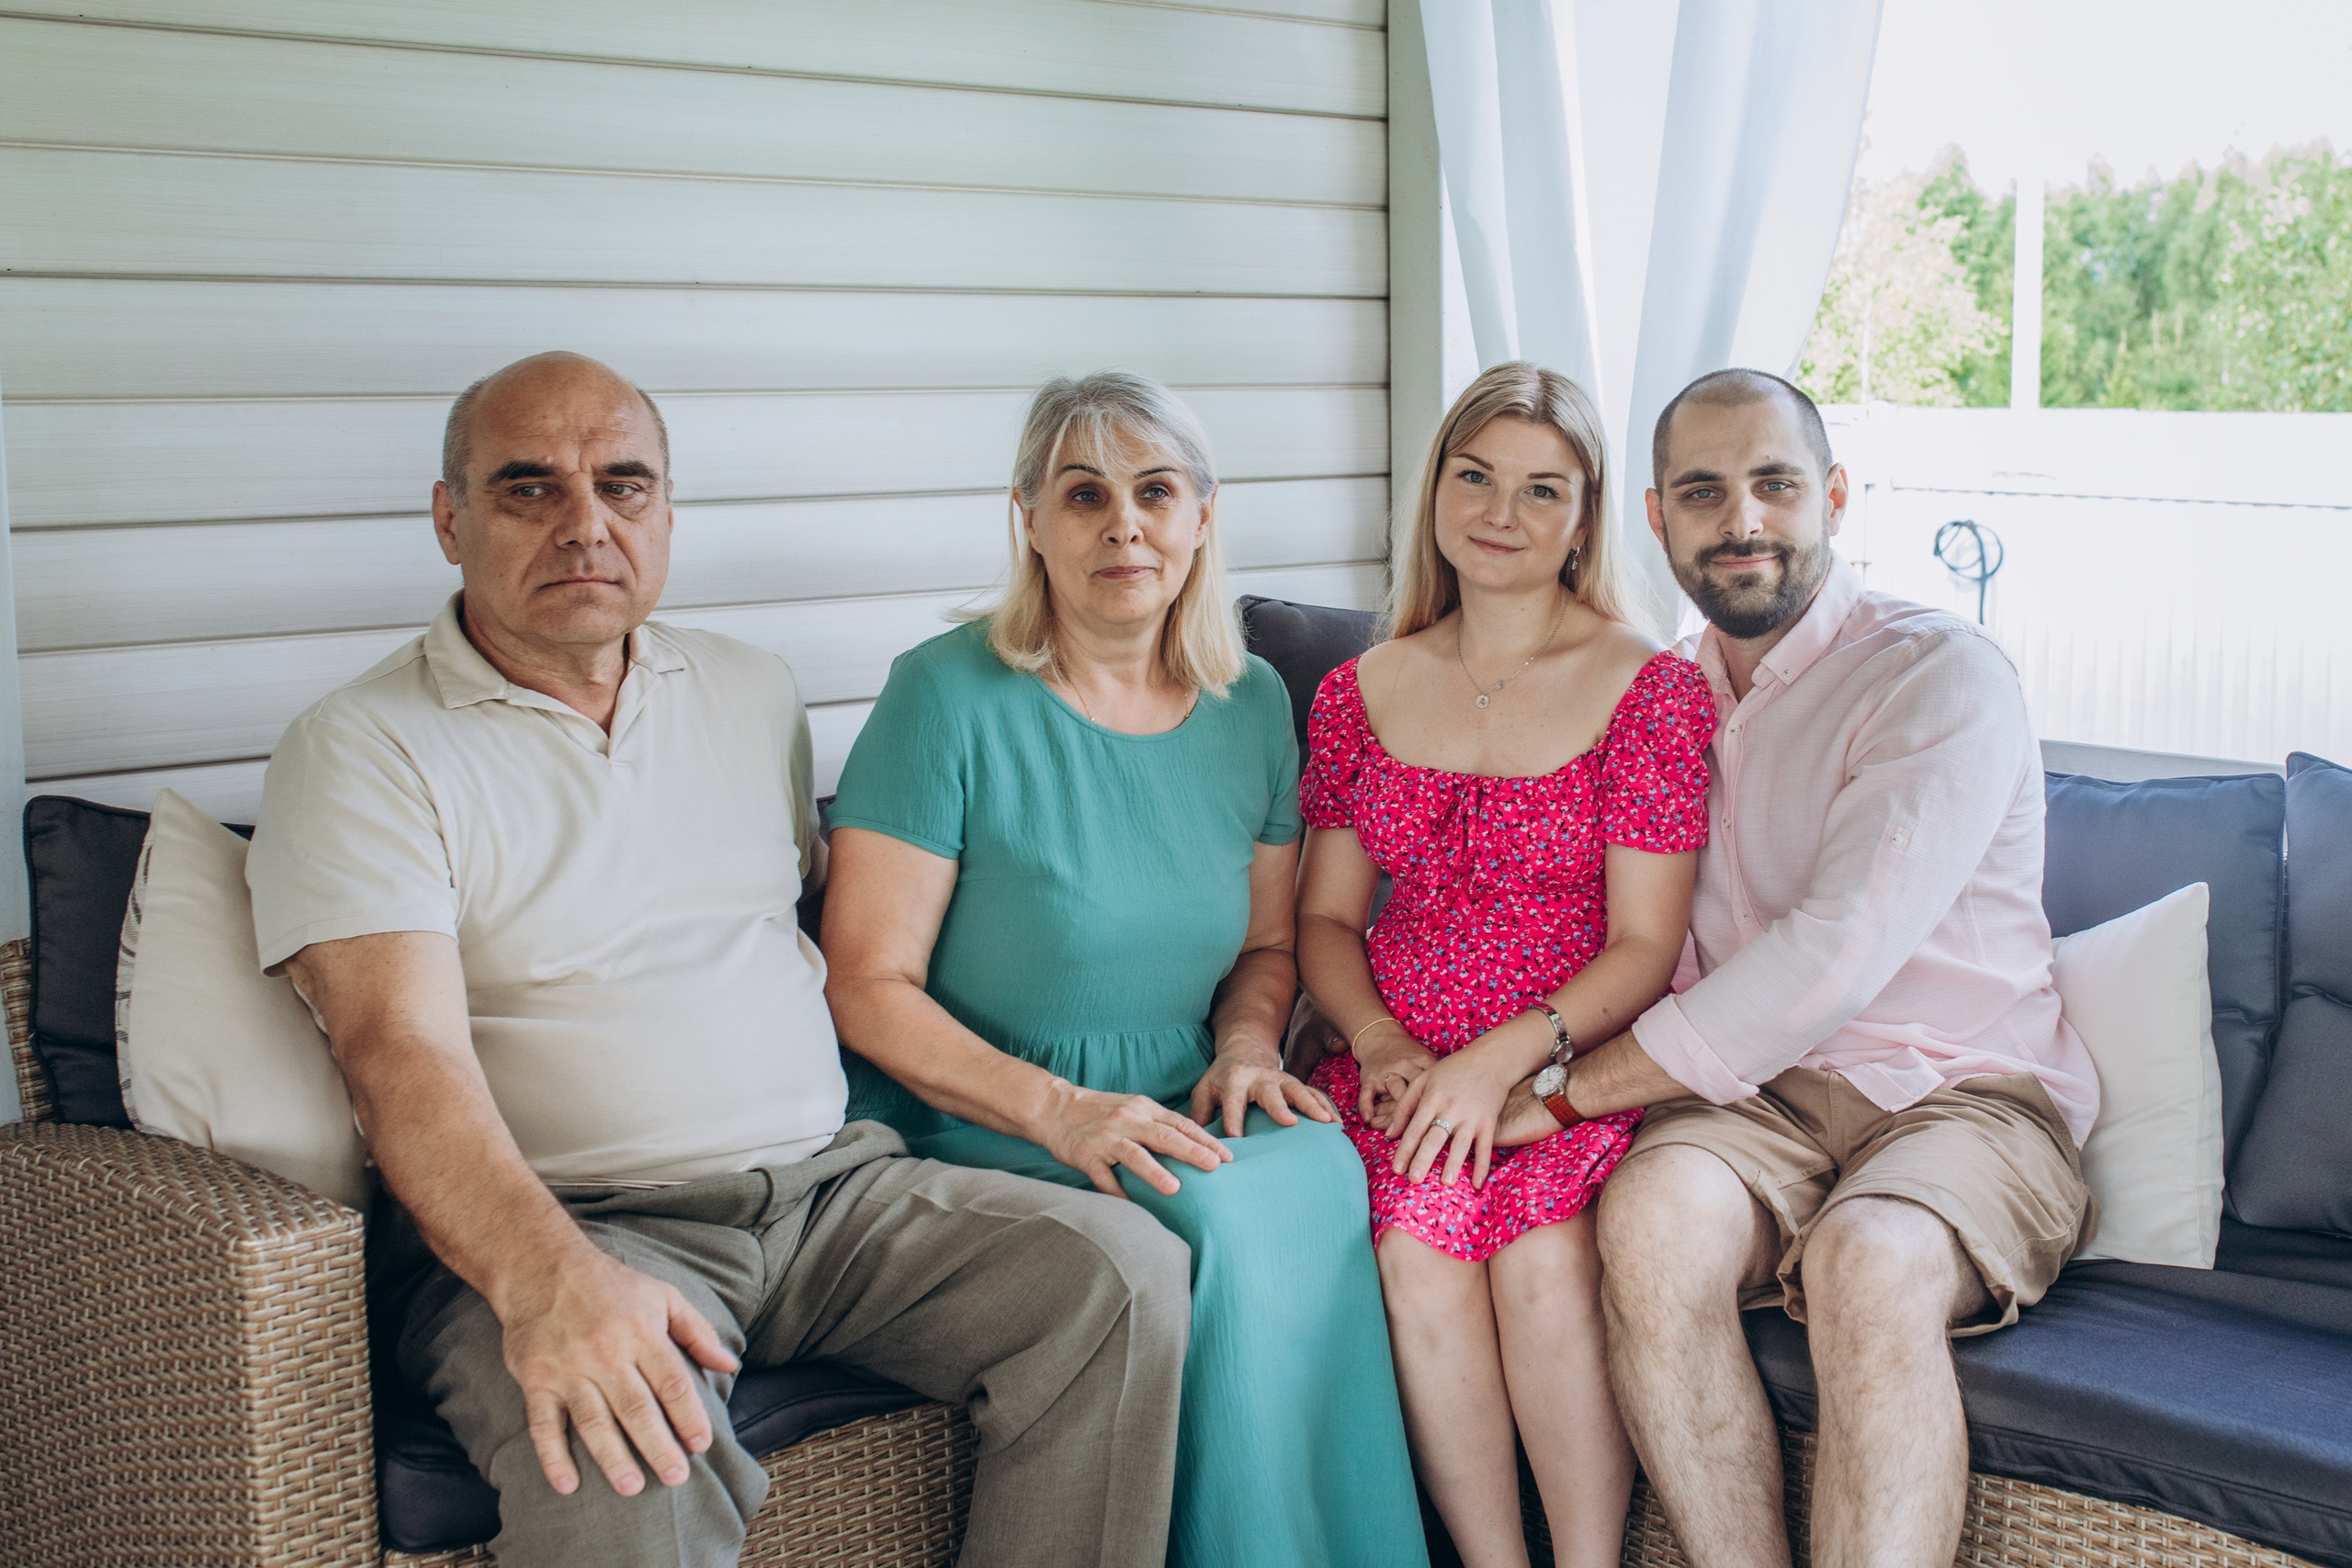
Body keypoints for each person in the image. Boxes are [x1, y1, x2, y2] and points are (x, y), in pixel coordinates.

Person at [244, 352, 1192, 1568]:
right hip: (580, 1222)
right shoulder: (361, 748)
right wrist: (550, 1286)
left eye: (624, 487)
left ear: (667, 516)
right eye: (530, 489)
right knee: (624, 1450)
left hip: (829, 1194)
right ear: (450, 519)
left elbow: (798, 921)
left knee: (1119, 1281)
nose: (586, 524)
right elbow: (396, 1052)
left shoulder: (750, 692)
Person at [1481, 367, 2100, 1568]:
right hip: (1756, 1107)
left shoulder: (1937, 675)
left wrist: (1559, 1092)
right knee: (1650, 1224)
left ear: (1834, 497)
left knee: (1871, 1264)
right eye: (1704, 493)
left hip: (1961, 1096)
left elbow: (1835, 956)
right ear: (1657, 518)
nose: (1743, 522)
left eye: (1773, 485)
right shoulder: (1659, 693)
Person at [818, 370, 1428, 1568]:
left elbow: (1265, 946)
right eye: (1084, 494)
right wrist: (1060, 1109)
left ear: (1202, 514)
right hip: (987, 1104)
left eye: (1155, 492)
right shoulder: (944, 694)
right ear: (1029, 519)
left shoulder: (1251, 702)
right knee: (1210, 1212)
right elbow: (865, 984)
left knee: (1322, 1169)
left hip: (1185, 1081)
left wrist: (1251, 1045)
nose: (1124, 524)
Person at [1293, 361, 1714, 1568]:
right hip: (1401, 1063)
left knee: (1540, 1269)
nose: (1500, 513)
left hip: (1561, 1057)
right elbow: (1327, 919)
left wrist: (1502, 1064)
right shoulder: (1356, 690)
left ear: (1586, 517)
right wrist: (1378, 1042)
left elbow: (1649, 944)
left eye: (1543, 490)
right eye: (1475, 477)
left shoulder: (1652, 690)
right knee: (1416, 1259)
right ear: (1436, 489)